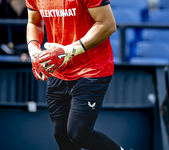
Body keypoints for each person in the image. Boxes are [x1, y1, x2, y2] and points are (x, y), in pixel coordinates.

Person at [26, 0, 124, 150]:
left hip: (92, 68)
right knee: (62, 136)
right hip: (59, 70)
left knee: (80, 134)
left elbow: (107, 24)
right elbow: (34, 22)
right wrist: (34, 50)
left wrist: (71, 50)